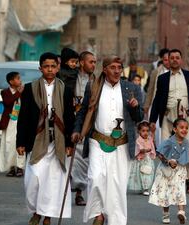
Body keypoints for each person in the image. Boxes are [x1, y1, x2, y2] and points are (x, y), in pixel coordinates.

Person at [72, 55, 143, 225]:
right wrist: (76, 130)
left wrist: (135, 108)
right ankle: (98, 214)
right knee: (96, 178)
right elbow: (83, 112)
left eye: (119, 67)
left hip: (121, 144)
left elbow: (139, 118)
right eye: (113, 67)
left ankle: (114, 220)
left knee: (117, 186)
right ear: (104, 69)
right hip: (97, 140)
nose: (117, 71)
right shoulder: (94, 87)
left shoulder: (132, 88)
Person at [16, 52, 75, 225]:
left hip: (58, 141)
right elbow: (24, 117)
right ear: (40, 68)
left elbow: (69, 117)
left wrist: (70, 143)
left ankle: (47, 216)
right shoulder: (29, 88)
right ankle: (35, 211)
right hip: (36, 140)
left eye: (53, 66)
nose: (49, 69)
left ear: (57, 68)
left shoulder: (66, 90)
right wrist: (20, 142)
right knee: (33, 180)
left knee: (53, 182)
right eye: (46, 66)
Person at [150, 49, 189, 141]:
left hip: (187, 117)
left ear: (181, 60)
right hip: (167, 118)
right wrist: (152, 120)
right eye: (172, 58)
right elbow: (157, 100)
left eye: (177, 58)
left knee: (187, 148)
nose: (175, 60)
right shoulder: (162, 78)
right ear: (168, 60)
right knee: (167, 150)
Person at [149, 118, 189, 224]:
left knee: (180, 189)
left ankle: (181, 211)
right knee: (166, 191)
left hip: (179, 169)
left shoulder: (186, 142)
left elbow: (185, 157)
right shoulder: (168, 141)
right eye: (181, 127)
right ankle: (165, 213)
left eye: (186, 128)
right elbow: (159, 153)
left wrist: (180, 161)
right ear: (175, 129)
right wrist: (167, 162)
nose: (184, 130)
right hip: (166, 170)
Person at [70, 51, 96, 206]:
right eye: (90, 62)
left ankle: (79, 192)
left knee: (84, 159)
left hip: (86, 124)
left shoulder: (95, 81)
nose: (93, 65)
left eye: (95, 62)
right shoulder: (71, 79)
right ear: (81, 63)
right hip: (70, 121)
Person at [0, 71, 25, 177]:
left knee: (20, 143)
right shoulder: (5, 92)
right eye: (18, 78)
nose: (20, 80)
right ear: (11, 81)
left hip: (20, 121)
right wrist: (19, 93)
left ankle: (20, 167)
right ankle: (11, 167)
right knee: (9, 145)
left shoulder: (25, 91)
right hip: (9, 122)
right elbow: (8, 102)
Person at [128, 121, 156, 196]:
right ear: (139, 131)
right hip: (142, 160)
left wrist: (153, 131)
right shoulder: (138, 140)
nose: (145, 133)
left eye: (147, 131)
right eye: (143, 131)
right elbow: (140, 149)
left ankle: (146, 187)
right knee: (143, 173)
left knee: (149, 173)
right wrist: (146, 150)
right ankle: (145, 188)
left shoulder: (149, 138)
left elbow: (153, 141)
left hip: (148, 159)